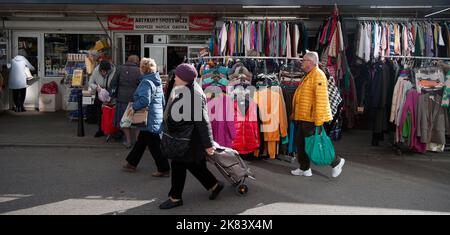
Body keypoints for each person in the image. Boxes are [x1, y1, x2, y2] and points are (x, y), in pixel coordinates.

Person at [159, 63, 224, 210]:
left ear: (184, 78)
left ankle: (175, 198)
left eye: (177, 75)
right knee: (193, 165)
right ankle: (214, 185)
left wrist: (208, 145)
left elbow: (203, 121)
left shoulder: (192, 94)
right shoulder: (185, 88)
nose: (174, 77)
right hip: (186, 137)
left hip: (189, 139)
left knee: (178, 164)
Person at [291, 51, 345, 178]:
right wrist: (295, 113)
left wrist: (319, 121)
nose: (301, 62)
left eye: (303, 60)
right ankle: (304, 168)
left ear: (310, 62)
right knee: (301, 143)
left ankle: (336, 162)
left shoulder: (318, 75)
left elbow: (321, 99)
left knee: (316, 144)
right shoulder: (309, 75)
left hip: (311, 118)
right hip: (303, 116)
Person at [122, 58, 170, 177]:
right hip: (155, 116)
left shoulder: (146, 82)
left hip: (148, 117)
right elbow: (163, 101)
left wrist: (133, 107)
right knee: (142, 141)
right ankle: (132, 163)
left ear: (143, 69)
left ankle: (164, 169)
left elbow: (144, 101)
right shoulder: (156, 81)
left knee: (154, 145)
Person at [109, 55, 141, 148]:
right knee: (137, 122)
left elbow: (113, 83)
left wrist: (112, 95)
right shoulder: (139, 70)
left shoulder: (120, 69)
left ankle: (128, 141)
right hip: (135, 100)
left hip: (122, 99)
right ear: (137, 62)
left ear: (127, 60)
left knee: (124, 122)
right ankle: (138, 143)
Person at [89, 60, 116, 137]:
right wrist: (96, 87)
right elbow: (90, 83)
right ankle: (100, 129)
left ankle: (112, 130)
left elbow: (116, 84)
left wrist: (112, 93)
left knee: (111, 113)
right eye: (102, 71)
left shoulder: (114, 71)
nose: (104, 72)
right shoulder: (96, 71)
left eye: (106, 71)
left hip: (111, 94)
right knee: (100, 113)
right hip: (100, 94)